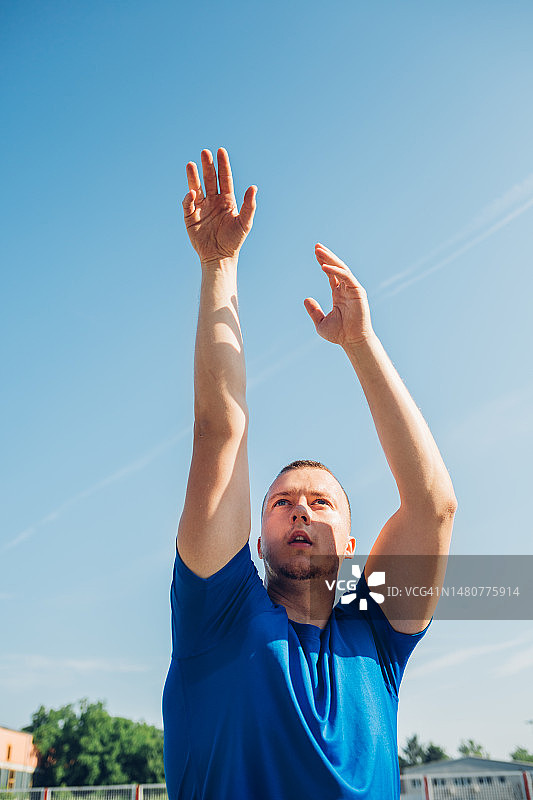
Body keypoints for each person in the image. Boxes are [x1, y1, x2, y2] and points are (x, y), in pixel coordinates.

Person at [162, 148, 458, 800]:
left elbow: (431, 504)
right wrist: (218, 267)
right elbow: (220, 435)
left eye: (322, 503)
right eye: (281, 502)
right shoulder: (219, 614)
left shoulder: (376, 638)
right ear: (255, 537)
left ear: (353, 548)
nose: (300, 509)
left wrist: (361, 343)